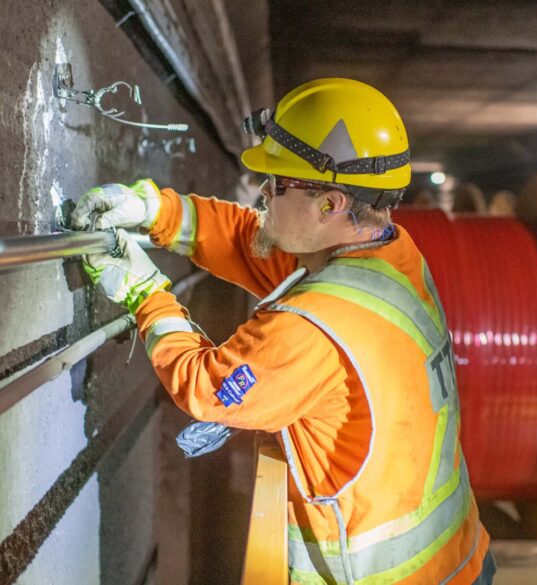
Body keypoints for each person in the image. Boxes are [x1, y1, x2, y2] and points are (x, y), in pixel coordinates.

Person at [72, 78, 495, 584]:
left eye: (278, 183)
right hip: (463, 558)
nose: (263, 192)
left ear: (331, 205)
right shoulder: (389, 255)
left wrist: (145, 292)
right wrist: (159, 212)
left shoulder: (315, 325)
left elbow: (209, 389)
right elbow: (258, 241)